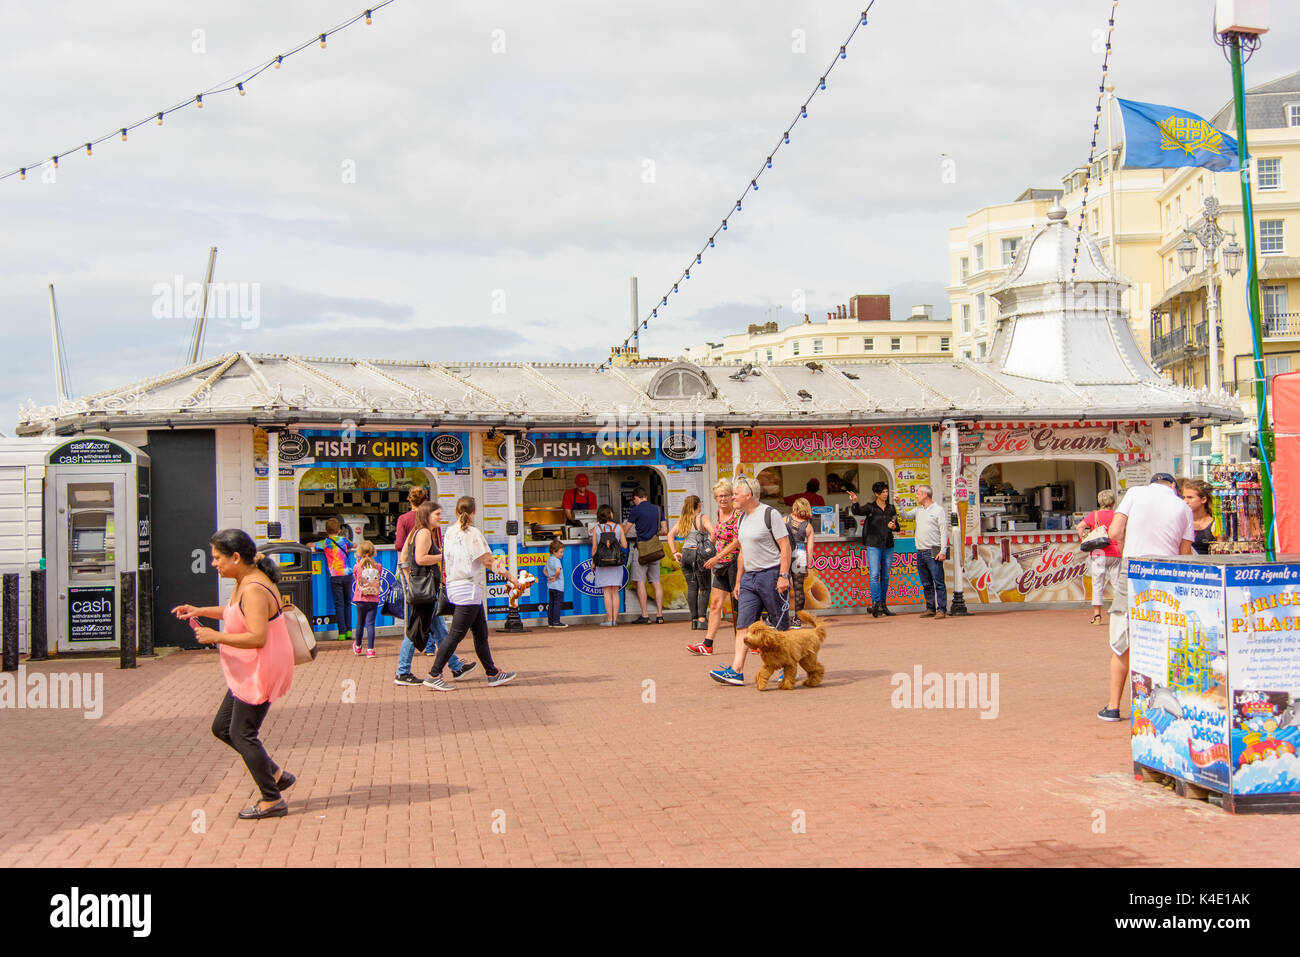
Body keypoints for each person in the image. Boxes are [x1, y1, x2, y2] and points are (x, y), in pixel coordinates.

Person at [173, 529, 295, 820]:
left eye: (217, 558)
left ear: (236, 557)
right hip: (246, 671)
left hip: (259, 669)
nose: (214, 563)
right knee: (222, 728)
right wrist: (198, 610)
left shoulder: (253, 588)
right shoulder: (244, 580)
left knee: (242, 734)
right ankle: (276, 775)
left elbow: (257, 637)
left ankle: (272, 798)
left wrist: (215, 636)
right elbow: (233, 613)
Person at [1098, 473, 1194, 722]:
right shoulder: (1183, 506)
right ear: (1173, 486)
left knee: (1122, 640)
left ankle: (1113, 707)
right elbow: (1185, 553)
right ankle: (1160, 706)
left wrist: (1129, 547)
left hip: (1134, 568)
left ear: (1151, 482)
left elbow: (1115, 532)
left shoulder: (1134, 493)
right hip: (1167, 573)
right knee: (1165, 638)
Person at [424, 496, 522, 691]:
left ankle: (492, 673)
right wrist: (511, 577)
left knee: (480, 633)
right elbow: (487, 561)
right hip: (468, 589)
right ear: (474, 512)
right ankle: (434, 674)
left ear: (457, 512)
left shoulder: (449, 532)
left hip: (456, 586)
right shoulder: (473, 533)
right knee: (455, 635)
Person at [710, 475, 792, 686]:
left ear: (748, 494)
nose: (732, 497)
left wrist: (783, 575)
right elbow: (743, 551)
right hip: (750, 578)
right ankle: (736, 670)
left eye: (735, 494)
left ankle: (786, 667)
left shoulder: (769, 514)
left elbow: (785, 547)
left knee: (779, 624)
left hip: (771, 574)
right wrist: (738, 581)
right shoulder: (741, 518)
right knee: (743, 624)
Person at [393, 503, 470, 686]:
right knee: (415, 631)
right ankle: (402, 672)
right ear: (427, 515)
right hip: (425, 591)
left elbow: (404, 556)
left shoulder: (417, 532)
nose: (440, 517)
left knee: (440, 631)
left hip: (424, 589)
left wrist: (409, 579)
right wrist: (444, 556)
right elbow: (420, 558)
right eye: (437, 514)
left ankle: (456, 666)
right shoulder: (425, 533)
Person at [688, 480, 738, 655]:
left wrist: (717, 556)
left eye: (725, 495)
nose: (723, 499)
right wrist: (707, 551)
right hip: (720, 565)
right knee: (715, 604)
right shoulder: (718, 513)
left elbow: (737, 541)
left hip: (736, 563)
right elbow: (717, 535)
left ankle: (750, 642)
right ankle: (707, 644)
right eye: (719, 496)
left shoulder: (737, 515)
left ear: (732, 496)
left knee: (740, 606)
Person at [848, 480, 900, 617]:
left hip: (888, 545)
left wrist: (893, 527)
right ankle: (876, 603)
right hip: (873, 545)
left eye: (886, 491)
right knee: (874, 574)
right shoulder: (870, 507)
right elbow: (857, 511)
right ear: (876, 494)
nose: (886, 494)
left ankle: (883, 604)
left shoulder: (891, 508)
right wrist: (855, 501)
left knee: (885, 576)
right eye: (883, 492)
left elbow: (897, 526)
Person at [900, 485, 948, 620]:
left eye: (918, 493)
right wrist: (898, 503)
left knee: (938, 581)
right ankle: (930, 607)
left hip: (934, 549)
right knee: (926, 582)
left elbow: (944, 531)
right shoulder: (918, 510)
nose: (916, 496)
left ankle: (942, 609)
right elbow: (905, 515)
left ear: (926, 494)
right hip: (920, 550)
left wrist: (943, 550)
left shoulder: (938, 510)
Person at [622, 486, 668, 624]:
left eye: (634, 500)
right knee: (656, 582)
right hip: (655, 550)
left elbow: (626, 530)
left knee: (640, 582)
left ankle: (645, 616)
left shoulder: (636, 510)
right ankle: (660, 615)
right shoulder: (658, 509)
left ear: (636, 498)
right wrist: (653, 533)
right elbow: (664, 530)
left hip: (641, 550)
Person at [1076, 489, 1122, 625]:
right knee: (1118, 584)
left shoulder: (1094, 515)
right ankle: (1119, 613)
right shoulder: (1117, 515)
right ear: (1113, 501)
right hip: (1115, 550)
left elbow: (1080, 527)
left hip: (1098, 551)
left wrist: (1085, 539)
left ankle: (1097, 615)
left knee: (1097, 584)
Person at [672, 495, 712, 631]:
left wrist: (674, 553)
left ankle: (694, 620)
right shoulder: (702, 518)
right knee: (705, 588)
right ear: (699, 504)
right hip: (698, 554)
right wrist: (709, 548)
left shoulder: (683, 520)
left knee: (692, 587)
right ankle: (702, 619)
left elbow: (670, 535)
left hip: (685, 554)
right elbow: (714, 533)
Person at [315, 518, 353, 641]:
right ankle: (349, 632)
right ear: (340, 530)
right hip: (347, 575)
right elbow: (353, 545)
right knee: (348, 603)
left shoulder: (325, 543)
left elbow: (311, 545)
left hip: (335, 576)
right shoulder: (344, 540)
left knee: (339, 605)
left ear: (325, 530)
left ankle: (341, 633)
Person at [591, 504, 627, 627]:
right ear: (610, 514)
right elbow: (625, 545)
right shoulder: (618, 527)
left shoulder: (597, 528)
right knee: (615, 592)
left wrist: (593, 563)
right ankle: (615, 620)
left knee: (606, 592)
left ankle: (609, 619)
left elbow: (594, 548)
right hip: (616, 563)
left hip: (602, 563)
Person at [785, 498, 816, 628]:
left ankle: (782, 617)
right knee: (799, 588)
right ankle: (797, 619)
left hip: (786, 553)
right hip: (800, 555)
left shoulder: (785, 520)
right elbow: (810, 549)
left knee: (783, 587)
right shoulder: (808, 527)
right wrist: (808, 566)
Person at [351, 540, 382, 657]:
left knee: (359, 624)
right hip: (373, 599)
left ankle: (358, 647)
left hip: (360, 599)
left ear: (359, 553)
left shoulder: (357, 567)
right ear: (373, 552)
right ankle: (370, 650)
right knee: (370, 624)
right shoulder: (378, 566)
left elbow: (356, 580)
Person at [1180, 478, 1218, 555]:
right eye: (1184, 497)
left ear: (1203, 499)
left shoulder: (1215, 524)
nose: (1185, 501)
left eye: (1190, 497)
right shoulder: (1181, 522)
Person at [545, 538, 568, 628]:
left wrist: (549, 577)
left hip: (551, 586)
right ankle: (556, 621)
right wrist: (555, 577)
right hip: (558, 586)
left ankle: (550, 622)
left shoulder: (549, 559)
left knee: (551, 604)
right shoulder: (557, 560)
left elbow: (544, 571)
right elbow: (558, 570)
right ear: (554, 551)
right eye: (561, 552)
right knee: (557, 604)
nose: (562, 554)